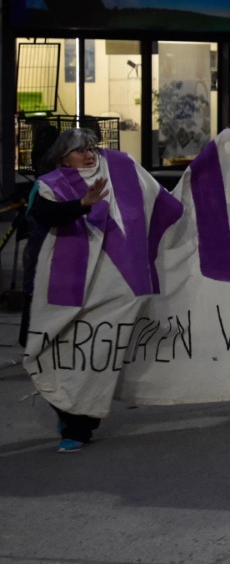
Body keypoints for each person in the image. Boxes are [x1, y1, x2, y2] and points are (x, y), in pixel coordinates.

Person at [24, 129, 111, 452]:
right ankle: (66, 407)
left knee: (86, 352)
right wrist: (82, 204)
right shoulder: (48, 185)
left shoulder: (112, 178)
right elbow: (46, 215)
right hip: (54, 284)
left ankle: (78, 425)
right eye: (79, 150)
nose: (89, 155)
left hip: (97, 284)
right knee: (42, 350)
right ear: (63, 157)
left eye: (91, 148)